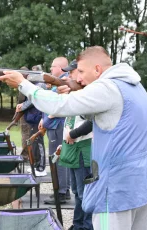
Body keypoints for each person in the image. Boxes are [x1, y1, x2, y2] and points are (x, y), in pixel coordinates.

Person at [0, 46, 147, 230]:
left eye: (81, 71)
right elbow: (106, 118)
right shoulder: (134, 86)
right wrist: (74, 92)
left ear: (97, 69)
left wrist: (23, 84)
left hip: (115, 188)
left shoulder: (107, 87)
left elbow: (59, 106)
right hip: (142, 184)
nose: (78, 78)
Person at [57, 59, 94, 230]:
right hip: (72, 149)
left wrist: (72, 134)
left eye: (71, 72)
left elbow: (92, 122)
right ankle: (78, 224)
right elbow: (69, 122)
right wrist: (63, 143)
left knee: (84, 192)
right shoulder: (75, 95)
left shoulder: (87, 95)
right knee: (76, 192)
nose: (68, 75)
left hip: (82, 150)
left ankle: (85, 226)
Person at [40, 57, 71, 204]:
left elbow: (58, 106)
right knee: (59, 158)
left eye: (53, 67)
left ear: (60, 68)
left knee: (57, 159)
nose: (51, 69)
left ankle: (61, 192)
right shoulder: (61, 82)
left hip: (56, 125)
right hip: (56, 125)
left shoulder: (64, 83)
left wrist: (47, 119)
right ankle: (64, 190)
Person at [16, 65, 47, 176]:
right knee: (34, 142)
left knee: (38, 143)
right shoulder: (36, 84)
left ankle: (41, 168)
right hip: (34, 118)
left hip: (38, 117)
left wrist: (22, 106)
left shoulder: (40, 84)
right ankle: (36, 165)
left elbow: (31, 100)